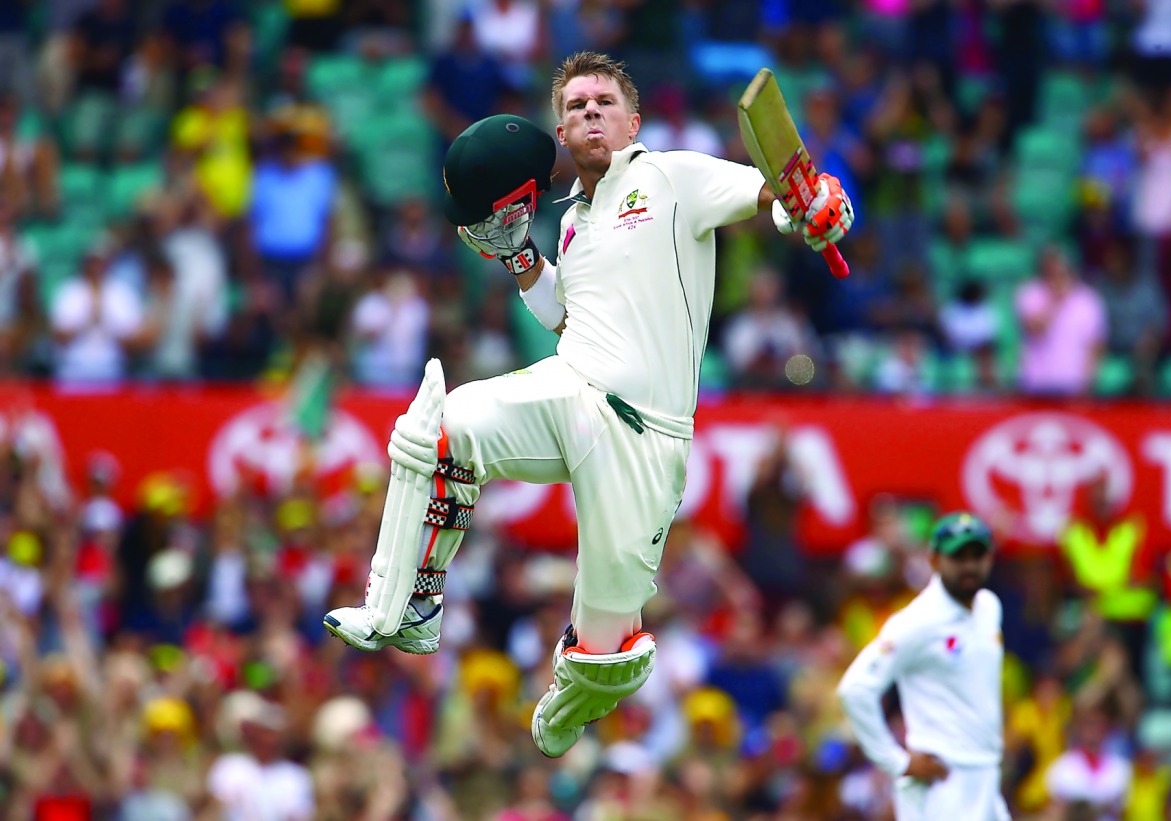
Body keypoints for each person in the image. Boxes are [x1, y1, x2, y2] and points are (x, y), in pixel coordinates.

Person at [324, 50, 854, 758]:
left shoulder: (670, 175)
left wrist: (821, 204)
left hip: (644, 435)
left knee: (609, 651)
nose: (590, 112)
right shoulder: (571, 222)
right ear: (562, 134)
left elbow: (777, 198)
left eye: (603, 101)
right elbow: (563, 318)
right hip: (569, 387)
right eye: (575, 107)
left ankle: (579, 688)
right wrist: (520, 258)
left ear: (632, 120)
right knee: (436, 427)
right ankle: (407, 606)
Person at [836, 512, 1010, 820]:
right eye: (957, 556)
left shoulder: (989, 608)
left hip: (985, 776)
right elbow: (855, 689)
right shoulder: (917, 622)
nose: (969, 566)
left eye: (977, 555)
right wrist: (897, 762)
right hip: (942, 782)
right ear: (933, 560)